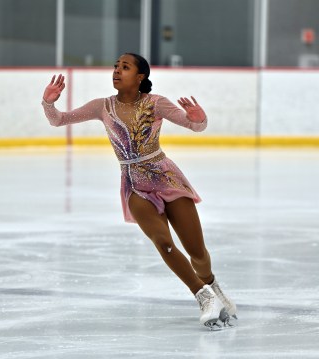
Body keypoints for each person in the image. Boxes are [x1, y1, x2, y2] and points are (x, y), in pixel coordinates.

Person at [41, 53, 237, 330]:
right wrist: (48, 103)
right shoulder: (102, 106)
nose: (117, 71)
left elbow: (193, 125)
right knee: (163, 242)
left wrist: (199, 120)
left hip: (167, 178)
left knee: (198, 253)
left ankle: (212, 285)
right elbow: (59, 120)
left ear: (141, 76)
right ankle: (203, 296)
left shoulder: (156, 103)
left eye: (125, 67)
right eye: (115, 67)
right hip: (134, 185)